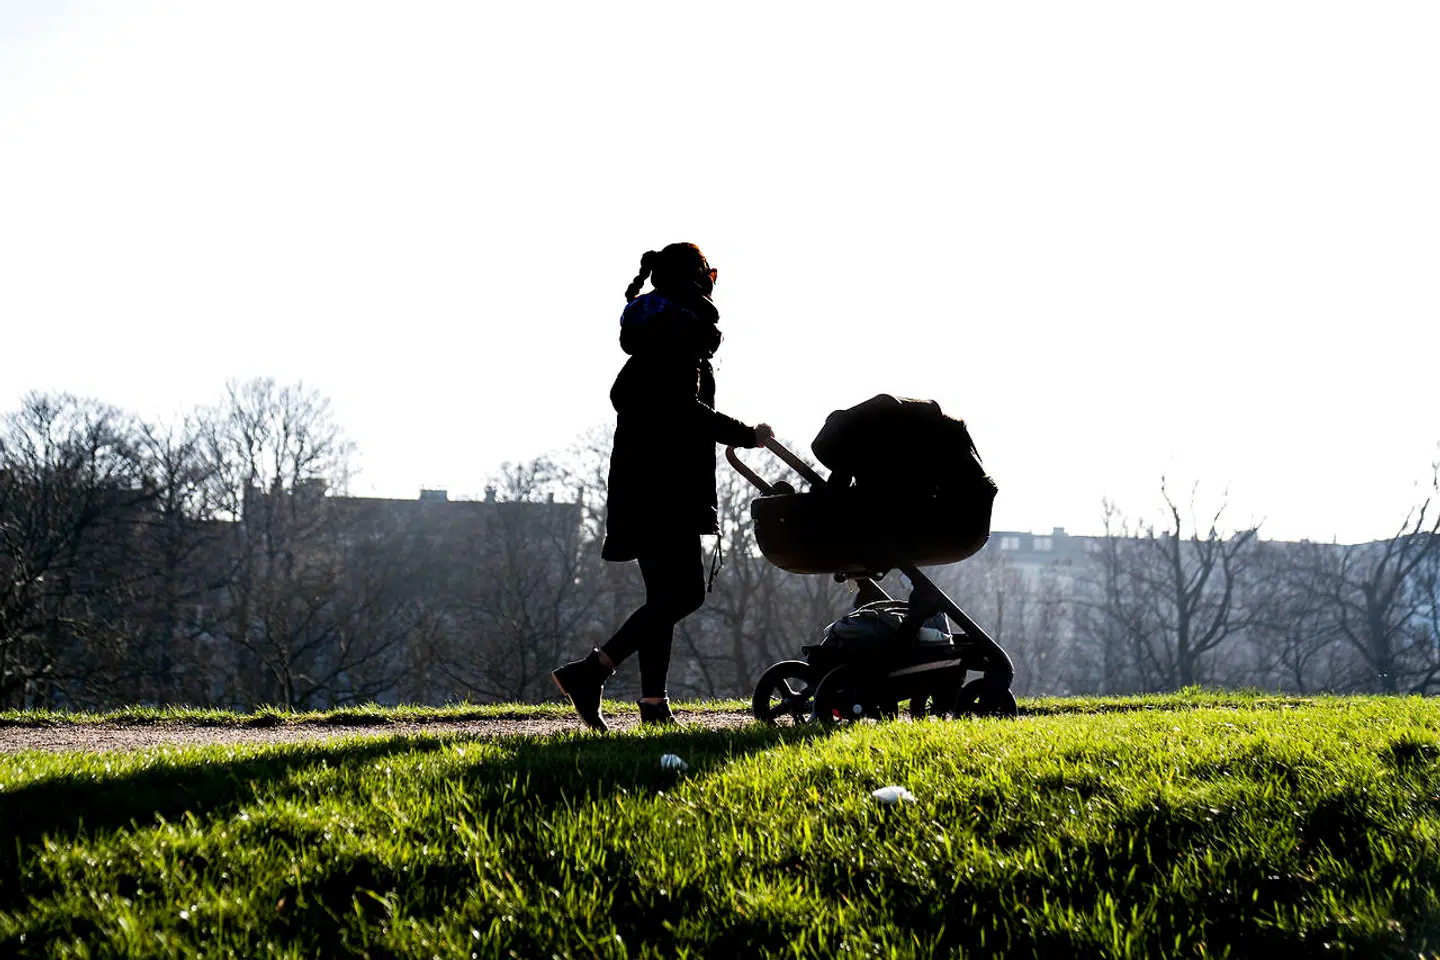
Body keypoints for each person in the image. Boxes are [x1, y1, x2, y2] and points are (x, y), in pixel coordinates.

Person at [552, 243, 772, 730]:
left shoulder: (655, 337)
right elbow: (685, 413)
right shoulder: (678, 337)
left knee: (662, 599)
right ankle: (592, 671)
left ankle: (653, 705)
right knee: (686, 594)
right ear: (697, 283)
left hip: (641, 486)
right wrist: (747, 436)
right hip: (666, 490)